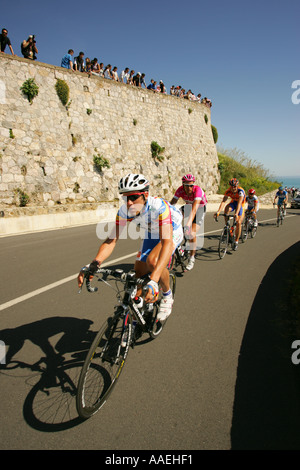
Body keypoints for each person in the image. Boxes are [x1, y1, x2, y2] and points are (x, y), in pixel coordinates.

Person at [77, 173, 183, 321]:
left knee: (152, 262)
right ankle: (139, 314)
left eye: (133, 197)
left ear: (145, 195)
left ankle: (167, 295)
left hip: (172, 229)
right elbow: (111, 240)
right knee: (138, 271)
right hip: (152, 231)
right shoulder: (124, 212)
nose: (129, 203)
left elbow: (166, 242)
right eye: (125, 198)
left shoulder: (159, 207)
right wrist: (95, 263)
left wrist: (153, 280)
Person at [170, 174, 207, 270]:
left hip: (199, 210)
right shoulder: (180, 190)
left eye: (191, 185)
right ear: (183, 185)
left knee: (191, 234)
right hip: (187, 207)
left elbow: (194, 209)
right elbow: (172, 205)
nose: (190, 187)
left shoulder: (198, 190)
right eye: (187, 185)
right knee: (173, 218)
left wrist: (187, 225)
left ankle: (192, 258)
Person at [214, 178, 246, 250]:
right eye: (232, 186)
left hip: (241, 205)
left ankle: (236, 241)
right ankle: (227, 226)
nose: (233, 188)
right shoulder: (228, 191)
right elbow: (223, 202)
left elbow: (240, 203)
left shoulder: (241, 191)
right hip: (233, 203)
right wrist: (218, 211)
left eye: (235, 186)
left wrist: (236, 214)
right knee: (226, 209)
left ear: (237, 186)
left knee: (238, 223)